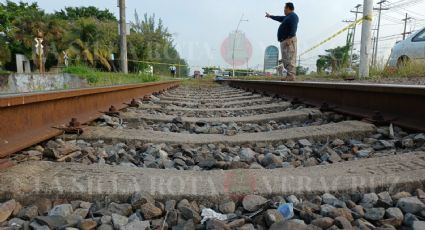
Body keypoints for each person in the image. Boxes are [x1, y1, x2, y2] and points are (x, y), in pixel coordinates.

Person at [266, 2, 299, 81]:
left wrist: (290, 38)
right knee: (286, 59)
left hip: (289, 40)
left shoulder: (293, 16)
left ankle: (291, 76)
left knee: (290, 57)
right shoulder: (287, 17)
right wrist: (270, 16)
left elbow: (294, 26)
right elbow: (279, 18)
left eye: (285, 8)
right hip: (284, 40)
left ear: (288, 8)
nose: (284, 10)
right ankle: (289, 75)